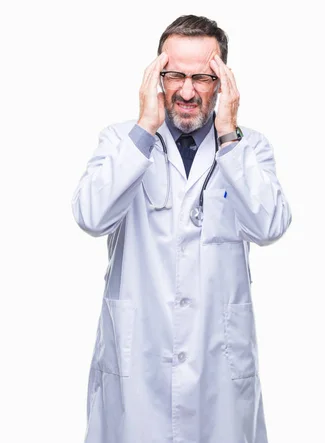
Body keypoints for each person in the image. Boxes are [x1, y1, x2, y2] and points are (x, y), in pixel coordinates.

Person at [71, 15, 292, 443]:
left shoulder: (249, 148)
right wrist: (143, 129)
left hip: (218, 366)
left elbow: (270, 225)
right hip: (139, 367)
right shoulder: (122, 142)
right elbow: (91, 216)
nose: (187, 91)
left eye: (202, 78)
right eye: (175, 75)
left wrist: (229, 138)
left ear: (222, 82)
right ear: (157, 76)